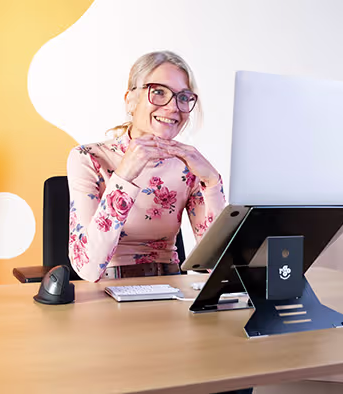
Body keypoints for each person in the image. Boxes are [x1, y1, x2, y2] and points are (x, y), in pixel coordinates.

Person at [66, 50, 227, 283]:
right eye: (159, 92)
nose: (173, 107)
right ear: (130, 100)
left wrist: (212, 182)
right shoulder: (87, 158)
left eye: (183, 97)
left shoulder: (187, 167)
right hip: (106, 293)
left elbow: (220, 268)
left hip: (170, 290)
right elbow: (88, 269)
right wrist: (124, 176)